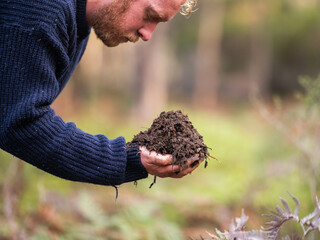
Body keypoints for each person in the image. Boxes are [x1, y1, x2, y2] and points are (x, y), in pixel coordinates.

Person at [0, 0, 201, 187]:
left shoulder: (78, 22)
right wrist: (128, 158)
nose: (147, 34)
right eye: (149, 15)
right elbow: (20, 123)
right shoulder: (41, 10)